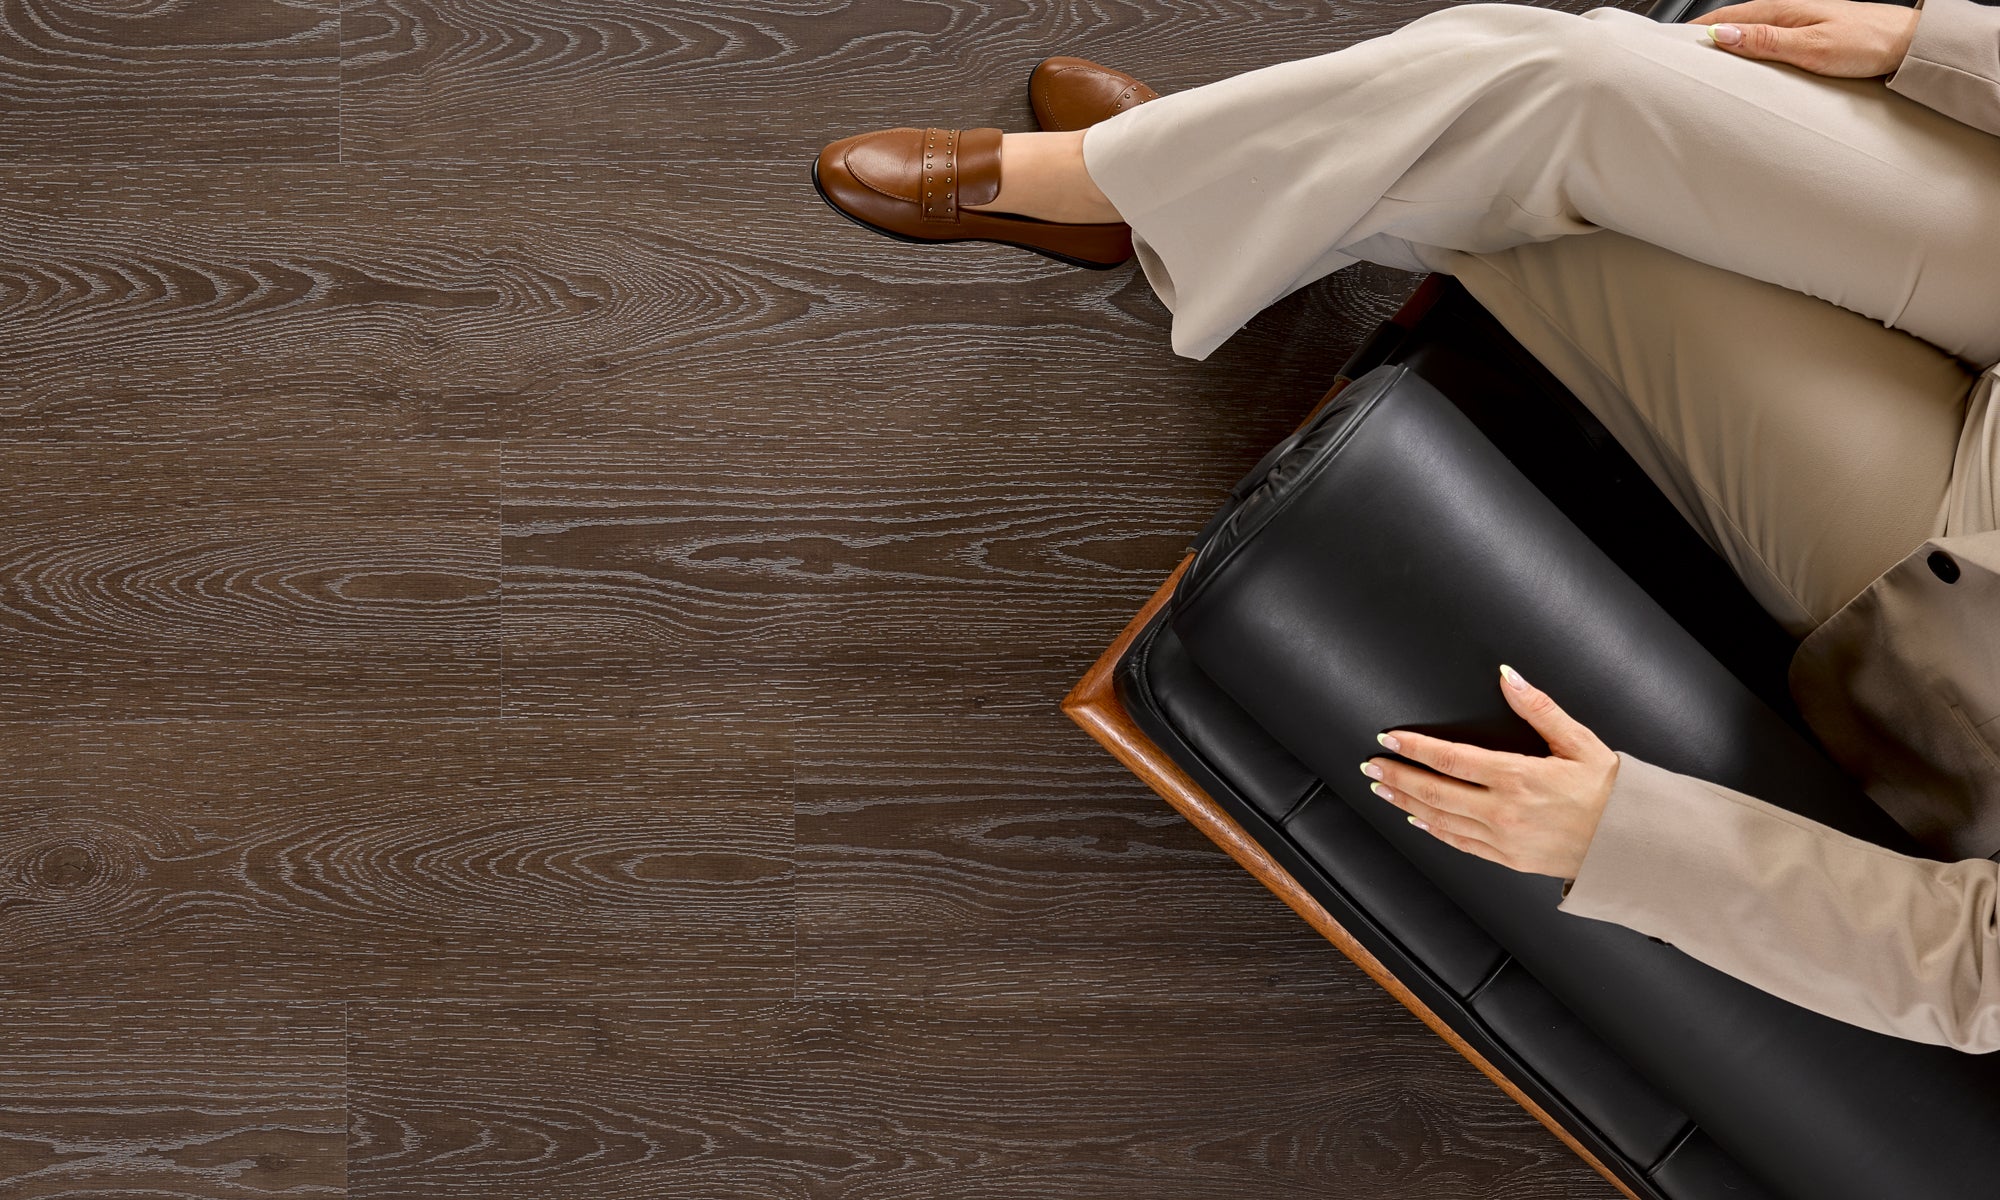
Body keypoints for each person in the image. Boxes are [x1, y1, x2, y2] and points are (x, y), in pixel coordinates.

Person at [812, 0, 2000, 1052]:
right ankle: (1148, 178)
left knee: (1572, 226)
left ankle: (1139, 179)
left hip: (1955, 579)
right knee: (1568, 82)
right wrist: (1942, 47)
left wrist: (1636, 846)